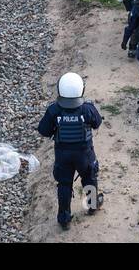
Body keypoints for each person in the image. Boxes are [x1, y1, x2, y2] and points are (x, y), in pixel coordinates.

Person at [36, 72, 103, 230]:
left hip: (62, 155)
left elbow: (43, 130)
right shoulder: (87, 109)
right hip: (84, 154)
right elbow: (97, 123)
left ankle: (64, 217)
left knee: (64, 184)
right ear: (81, 90)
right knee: (89, 177)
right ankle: (92, 205)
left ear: (60, 90)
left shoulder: (54, 110)